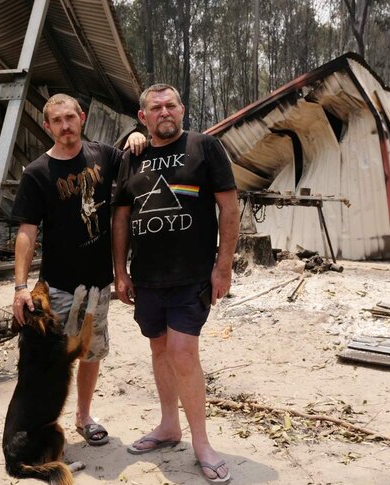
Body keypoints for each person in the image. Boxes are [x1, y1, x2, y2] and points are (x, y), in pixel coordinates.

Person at [112, 84, 239, 484]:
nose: (164, 111)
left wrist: (223, 267)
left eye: (171, 105)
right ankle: (169, 426)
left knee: (184, 353)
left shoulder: (205, 147)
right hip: (147, 277)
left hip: (192, 276)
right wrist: (120, 270)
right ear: (143, 117)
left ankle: (201, 442)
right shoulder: (131, 158)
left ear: (182, 110)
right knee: (160, 350)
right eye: (156, 107)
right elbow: (120, 219)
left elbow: (229, 208)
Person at [11, 93, 145, 447]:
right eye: (58, 120)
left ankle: (84, 417)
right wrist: (20, 287)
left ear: (81, 117)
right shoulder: (37, 173)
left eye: (70, 117)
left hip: (98, 284)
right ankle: (39, 427)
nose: (66, 126)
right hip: (56, 287)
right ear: (48, 126)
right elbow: (27, 231)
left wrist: (136, 136)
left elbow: (135, 160)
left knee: (90, 353)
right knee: (48, 360)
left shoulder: (104, 155)